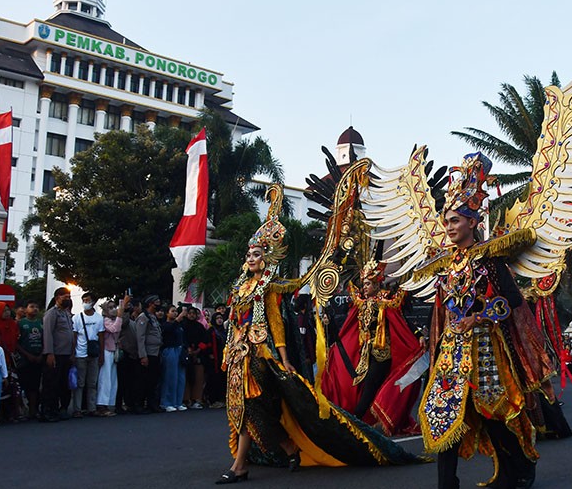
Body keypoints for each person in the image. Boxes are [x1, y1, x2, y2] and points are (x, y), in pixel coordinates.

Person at [217, 184, 421, 484]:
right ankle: (288, 447)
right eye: (249, 253)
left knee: (251, 407)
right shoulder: (241, 288)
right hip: (236, 354)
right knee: (246, 409)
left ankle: (240, 466)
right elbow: (235, 320)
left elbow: (275, 325)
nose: (250, 257)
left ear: (266, 258)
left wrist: (284, 358)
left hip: (260, 355)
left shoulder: (268, 288)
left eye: (257, 253)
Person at [418, 153, 554, 489]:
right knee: (444, 414)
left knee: (494, 415)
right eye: (446, 221)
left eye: (455, 221)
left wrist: (479, 317)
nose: (449, 227)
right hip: (452, 352)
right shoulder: (446, 264)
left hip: (485, 349)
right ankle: (446, 484)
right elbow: (441, 308)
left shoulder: (490, 259)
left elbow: (512, 302)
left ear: (472, 222)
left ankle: (517, 469)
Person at [322, 261, 425, 435]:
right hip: (364, 353)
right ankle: (364, 420)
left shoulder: (386, 302)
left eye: (368, 284)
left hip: (382, 354)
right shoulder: (361, 303)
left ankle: (354, 420)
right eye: (363, 285)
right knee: (362, 386)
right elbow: (347, 326)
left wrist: (418, 335)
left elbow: (402, 321)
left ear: (377, 284)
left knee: (370, 386)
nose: (364, 288)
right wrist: (329, 322)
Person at [41, 287, 74, 422]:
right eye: (64, 297)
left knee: (62, 384)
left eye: (69, 296)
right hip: (55, 354)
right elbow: (48, 334)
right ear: (57, 298)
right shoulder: (52, 313)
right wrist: (49, 353)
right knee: (51, 384)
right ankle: (47, 411)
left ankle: (59, 409)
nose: (67, 299)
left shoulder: (65, 313)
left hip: (66, 354)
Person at [71, 292, 105, 418]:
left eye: (88, 300)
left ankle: (92, 407)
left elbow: (101, 337)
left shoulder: (99, 318)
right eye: (84, 300)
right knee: (80, 383)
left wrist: (101, 355)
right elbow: (74, 336)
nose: (86, 303)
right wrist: (73, 353)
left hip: (94, 353)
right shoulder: (77, 318)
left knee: (92, 382)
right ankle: (77, 409)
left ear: (93, 302)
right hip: (80, 353)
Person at [96, 296, 127, 417]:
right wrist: (119, 315)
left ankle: (109, 403)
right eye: (110, 307)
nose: (113, 309)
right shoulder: (105, 320)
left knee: (113, 379)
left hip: (113, 350)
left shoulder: (114, 319)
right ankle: (101, 405)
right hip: (106, 350)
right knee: (105, 379)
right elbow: (114, 329)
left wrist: (122, 308)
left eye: (114, 307)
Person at [16, 302, 44, 420]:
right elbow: (17, 342)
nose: (35, 309)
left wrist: (42, 354)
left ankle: (34, 409)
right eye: (32, 307)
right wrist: (27, 355)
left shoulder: (41, 323)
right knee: (23, 384)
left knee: (35, 385)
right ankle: (21, 409)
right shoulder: (20, 324)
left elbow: (45, 339)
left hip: (38, 358)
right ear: (25, 310)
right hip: (25, 358)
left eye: (37, 307)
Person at [136, 295, 163, 413]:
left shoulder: (153, 317)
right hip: (148, 352)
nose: (158, 304)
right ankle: (139, 404)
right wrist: (143, 355)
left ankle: (152, 403)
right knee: (144, 380)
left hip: (156, 352)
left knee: (153, 380)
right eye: (156, 302)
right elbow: (140, 337)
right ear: (151, 304)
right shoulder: (143, 317)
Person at [160, 304, 187, 412]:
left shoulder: (179, 326)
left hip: (179, 350)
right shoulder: (165, 325)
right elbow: (169, 330)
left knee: (180, 378)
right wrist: (179, 318)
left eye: (176, 311)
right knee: (170, 377)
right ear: (167, 313)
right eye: (172, 311)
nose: (175, 313)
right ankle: (167, 402)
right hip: (170, 350)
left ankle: (177, 401)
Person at [183, 306, 208, 409]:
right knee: (186, 378)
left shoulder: (200, 326)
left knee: (198, 377)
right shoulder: (183, 326)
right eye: (190, 313)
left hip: (198, 354)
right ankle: (186, 399)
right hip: (186, 354)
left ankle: (197, 399)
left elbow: (205, 340)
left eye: (194, 313)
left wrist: (198, 349)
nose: (192, 315)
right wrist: (188, 348)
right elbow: (182, 338)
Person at [205, 312, 228, 409]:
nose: (219, 320)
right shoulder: (211, 330)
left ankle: (221, 399)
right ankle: (213, 400)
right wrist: (210, 354)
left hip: (223, 358)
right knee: (213, 379)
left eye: (221, 318)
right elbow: (207, 343)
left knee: (222, 379)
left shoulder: (224, 331)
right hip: (214, 358)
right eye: (217, 318)